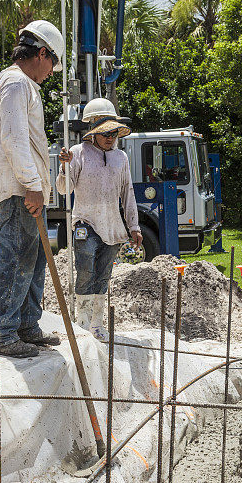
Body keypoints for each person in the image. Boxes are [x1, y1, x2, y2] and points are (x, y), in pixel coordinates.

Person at [0, 20, 64, 358]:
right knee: (15, 259)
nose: (51, 73)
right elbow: (12, 138)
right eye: (52, 64)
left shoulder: (18, 84)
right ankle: (0, 333)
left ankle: (26, 325)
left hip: (26, 189)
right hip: (21, 191)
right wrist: (30, 184)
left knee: (33, 259)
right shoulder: (16, 82)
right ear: (42, 53)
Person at [56, 98, 142, 338]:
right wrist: (64, 168)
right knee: (85, 273)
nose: (110, 137)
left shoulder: (121, 158)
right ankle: (82, 326)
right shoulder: (77, 154)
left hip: (112, 225)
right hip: (86, 222)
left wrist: (133, 226)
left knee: (103, 276)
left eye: (113, 132)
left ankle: (97, 324)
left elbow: (128, 193)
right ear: (93, 131)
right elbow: (65, 190)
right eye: (105, 133)